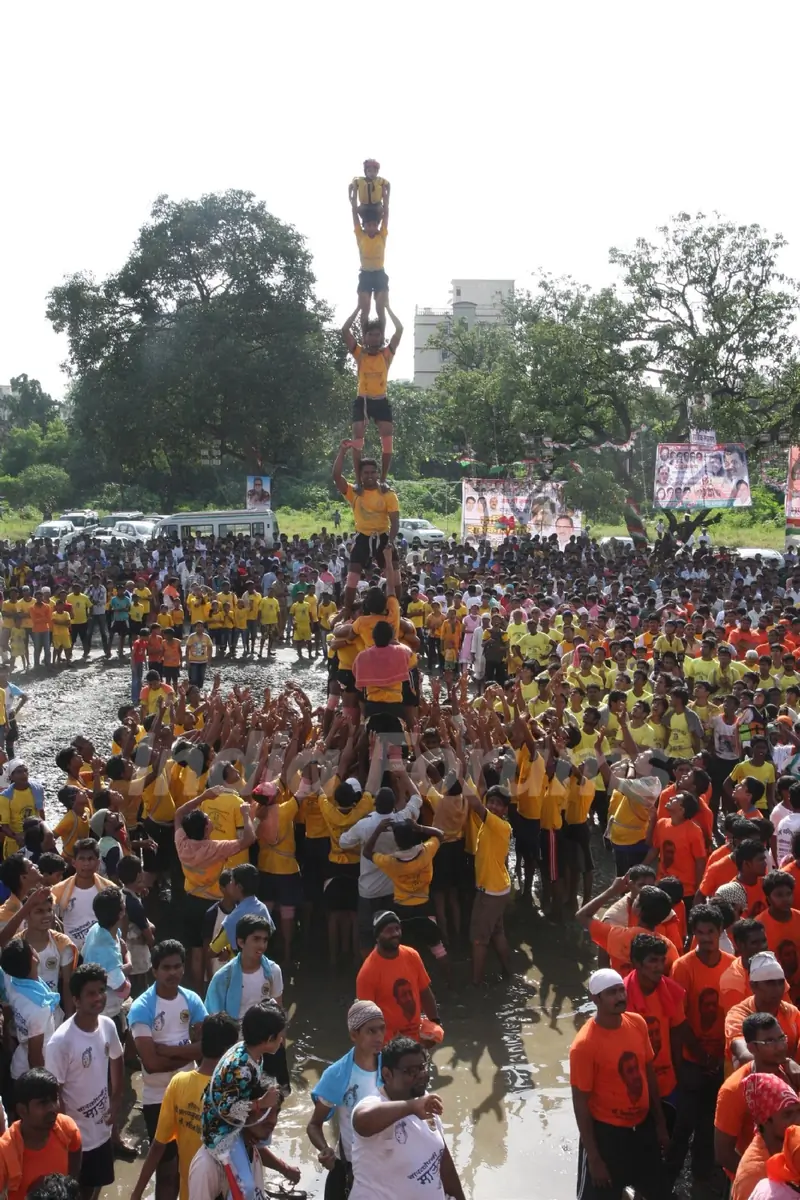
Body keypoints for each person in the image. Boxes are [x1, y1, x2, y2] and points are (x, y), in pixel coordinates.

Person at [569, 968, 670, 1200]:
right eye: (611, 993)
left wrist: (660, 1124)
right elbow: (581, 1105)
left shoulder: (637, 1023)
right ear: (596, 999)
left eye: (621, 990)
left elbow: (649, 1075)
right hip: (607, 1136)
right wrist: (594, 1159)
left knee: (659, 1192)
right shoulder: (584, 1045)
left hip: (642, 1128)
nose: (620, 997)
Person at [129, 1012, 240, 1200]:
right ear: (229, 1050)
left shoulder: (178, 1083)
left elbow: (158, 1145)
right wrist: (283, 1169)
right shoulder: (232, 1091)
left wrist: (137, 1192)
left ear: (201, 1044)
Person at [128, 940, 208, 1200]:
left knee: (195, 1164)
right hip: (157, 1099)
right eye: (166, 968)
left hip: (190, 1093)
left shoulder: (192, 1000)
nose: (173, 973)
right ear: (154, 971)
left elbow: (206, 1049)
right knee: (166, 1171)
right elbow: (150, 1064)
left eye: (177, 966)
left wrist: (165, 1049)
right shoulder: (142, 1007)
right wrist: (186, 1052)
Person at [349, 1035, 465, 1200]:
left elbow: (442, 1160)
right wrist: (412, 1107)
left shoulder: (423, 1099)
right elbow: (362, 1121)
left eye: (422, 1067)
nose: (420, 1075)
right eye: (410, 1071)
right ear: (387, 1074)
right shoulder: (374, 1102)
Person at [44, 964, 124, 1200]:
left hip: (102, 1130)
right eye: (91, 993)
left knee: (96, 1186)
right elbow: (53, 1094)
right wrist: (67, 1134)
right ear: (76, 1000)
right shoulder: (61, 1042)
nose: (99, 998)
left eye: (101, 991)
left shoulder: (108, 1025)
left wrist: (117, 1099)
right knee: (74, 1192)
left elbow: (117, 1058)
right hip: (75, 1140)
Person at [307, 1000, 386, 1200]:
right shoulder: (338, 1074)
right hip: (350, 1168)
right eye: (371, 1031)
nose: (379, 1037)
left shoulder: (390, 1068)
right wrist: (325, 1150)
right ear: (354, 1035)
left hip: (386, 1166)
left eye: (381, 1029)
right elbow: (314, 1125)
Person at [356, 910, 443, 1046]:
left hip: (416, 1038)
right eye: (389, 930)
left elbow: (424, 992)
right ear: (378, 936)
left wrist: (435, 1024)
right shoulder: (367, 973)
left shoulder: (412, 955)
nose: (395, 933)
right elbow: (366, 1020)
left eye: (397, 928)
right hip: (388, 1045)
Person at [332, 441, 399, 610]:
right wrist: (342, 451)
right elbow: (336, 475)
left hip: (383, 535)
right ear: (360, 475)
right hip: (362, 536)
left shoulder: (388, 493)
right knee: (353, 574)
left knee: (396, 574)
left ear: (378, 474)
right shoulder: (354, 492)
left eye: (373, 472)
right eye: (366, 472)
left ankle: (398, 609)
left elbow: (395, 522)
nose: (369, 475)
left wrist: (390, 541)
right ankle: (347, 610)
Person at [0, 1068, 82, 1200]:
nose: (53, 1108)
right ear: (22, 1110)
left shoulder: (67, 1128)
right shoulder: (5, 1151)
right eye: (43, 1103)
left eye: (54, 1099)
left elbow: (75, 1154)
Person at [341, 305, 403, 480]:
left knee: (388, 442)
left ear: (381, 336)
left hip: (381, 400)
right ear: (365, 336)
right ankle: (358, 479)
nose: (374, 338)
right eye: (371, 334)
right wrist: (359, 308)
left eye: (377, 334)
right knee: (358, 440)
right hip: (363, 400)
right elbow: (345, 330)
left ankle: (383, 478)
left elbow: (399, 329)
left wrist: (388, 308)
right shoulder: (360, 353)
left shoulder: (386, 354)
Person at [205, 913, 284, 1023]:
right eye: (256, 939)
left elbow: (279, 1014)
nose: (262, 945)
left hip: (264, 1037)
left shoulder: (273, 971)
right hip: (233, 1036)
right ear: (241, 942)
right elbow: (214, 1019)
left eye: (265, 940)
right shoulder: (223, 977)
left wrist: (281, 1039)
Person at [349, 180, 390, 333]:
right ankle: (364, 337)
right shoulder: (361, 235)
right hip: (366, 274)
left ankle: (382, 335)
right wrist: (353, 198)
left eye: (374, 225)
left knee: (381, 307)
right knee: (364, 306)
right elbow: (354, 214)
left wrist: (385, 197)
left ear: (377, 226)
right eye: (369, 225)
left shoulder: (382, 235)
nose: (372, 228)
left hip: (379, 273)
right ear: (365, 226)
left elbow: (386, 214)